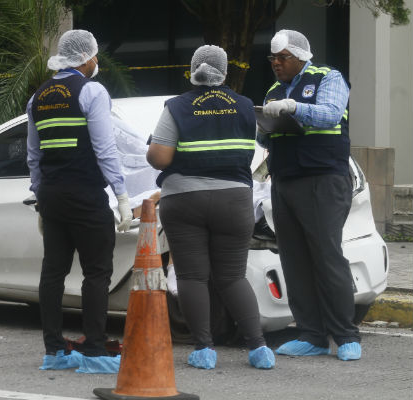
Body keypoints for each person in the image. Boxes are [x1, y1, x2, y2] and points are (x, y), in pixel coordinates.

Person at [146, 45, 275, 370]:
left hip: (184, 200)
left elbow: (159, 157)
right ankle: (259, 348)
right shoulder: (246, 107)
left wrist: (152, 152)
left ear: (192, 71)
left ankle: (204, 349)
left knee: (191, 275)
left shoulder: (177, 106)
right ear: (225, 73)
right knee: (232, 276)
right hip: (234, 200)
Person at [26, 29, 132, 374]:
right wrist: (121, 195)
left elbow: (33, 155)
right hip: (85, 193)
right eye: (95, 56)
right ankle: (95, 350)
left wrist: (41, 197)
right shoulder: (91, 91)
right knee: (97, 272)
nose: (97, 61)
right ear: (86, 58)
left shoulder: (38, 97)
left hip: (52, 195)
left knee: (53, 272)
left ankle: (54, 351)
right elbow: (104, 148)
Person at [259, 29, 360, 361]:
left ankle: (345, 334)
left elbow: (331, 113)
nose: (276, 63)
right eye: (273, 58)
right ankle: (312, 334)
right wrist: (264, 124)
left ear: (301, 56)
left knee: (326, 256)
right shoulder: (275, 89)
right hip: (286, 180)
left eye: (282, 57)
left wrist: (293, 107)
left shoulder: (326, 77)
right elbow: (266, 139)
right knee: (295, 259)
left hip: (322, 178)